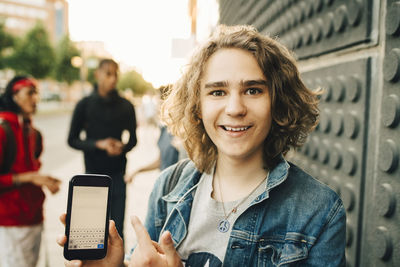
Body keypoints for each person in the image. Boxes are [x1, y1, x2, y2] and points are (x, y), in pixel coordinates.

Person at [58, 25, 346, 267]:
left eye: (253, 90)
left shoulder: (319, 211)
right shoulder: (168, 188)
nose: (235, 108)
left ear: (278, 102)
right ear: (197, 106)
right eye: (218, 91)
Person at [67, 58, 137, 239]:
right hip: (91, 175)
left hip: (117, 176)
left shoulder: (126, 106)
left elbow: (133, 140)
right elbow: (72, 140)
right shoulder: (84, 105)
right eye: (108, 74)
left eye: (115, 74)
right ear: (97, 74)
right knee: (90, 231)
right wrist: (98, 144)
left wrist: (122, 147)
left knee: (116, 232)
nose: (112, 79)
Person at [0, 75, 61, 267]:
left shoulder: (34, 132)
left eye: (37, 93)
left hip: (34, 217)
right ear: (14, 96)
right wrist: (30, 178)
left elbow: (31, 169)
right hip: (11, 220)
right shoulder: (3, 129)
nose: (35, 99)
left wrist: (42, 180)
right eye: (30, 93)